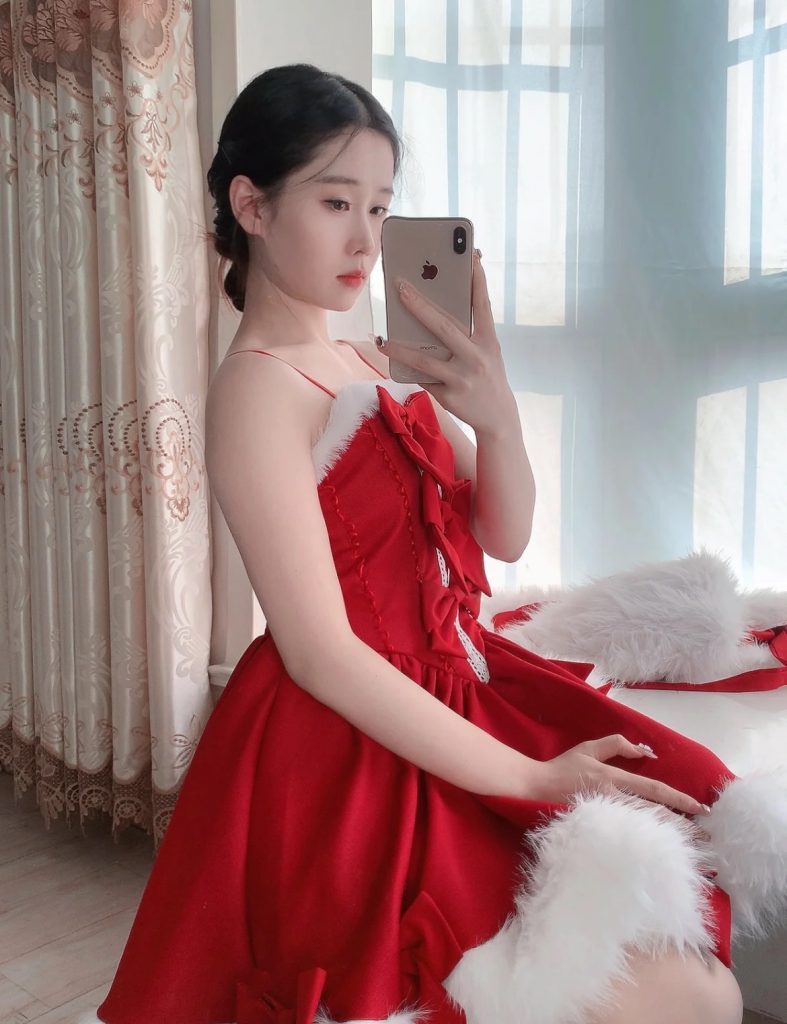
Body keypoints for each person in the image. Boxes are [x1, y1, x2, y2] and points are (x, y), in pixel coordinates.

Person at [90, 63, 762, 1024]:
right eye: (335, 202)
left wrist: (496, 411)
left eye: (381, 206)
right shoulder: (257, 387)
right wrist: (530, 777)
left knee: (689, 926)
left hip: (458, 686)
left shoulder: (373, 358)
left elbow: (504, 533)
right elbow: (320, 653)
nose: (366, 239)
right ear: (251, 205)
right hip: (345, 736)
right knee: (657, 991)